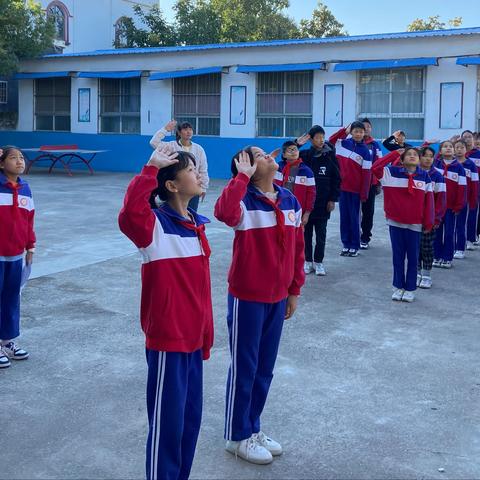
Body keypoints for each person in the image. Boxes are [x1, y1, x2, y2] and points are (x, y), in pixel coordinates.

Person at [118, 146, 214, 480]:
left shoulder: (196, 225)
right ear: (172, 185)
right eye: (190, 170)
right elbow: (130, 215)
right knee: (167, 426)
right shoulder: (155, 227)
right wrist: (149, 169)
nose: (198, 174)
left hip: (192, 340)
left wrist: (205, 335)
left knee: (190, 421)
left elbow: (200, 291)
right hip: (169, 341)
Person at [214, 146, 305, 465]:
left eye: (266, 153)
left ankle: (252, 428)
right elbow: (223, 213)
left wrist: (294, 289)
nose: (268, 155)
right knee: (245, 367)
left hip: (277, 296)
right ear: (247, 168)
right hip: (247, 297)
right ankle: (236, 436)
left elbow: (297, 248)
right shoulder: (243, 202)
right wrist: (241, 177)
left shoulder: (289, 200)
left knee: (264, 368)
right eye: (257, 155)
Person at [372, 147, 434, 302]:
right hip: (396, 223)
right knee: (398, 257)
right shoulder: (391, 173)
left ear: (419, 160)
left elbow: (429, 202)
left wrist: (428, 222)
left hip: (415, 224)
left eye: (415, 155)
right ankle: (398, 286)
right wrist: (394, 153)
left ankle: (410, 289)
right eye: (408, 155)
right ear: (402, 159)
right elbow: (375, 167)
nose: (412, 156)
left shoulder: (424, 177)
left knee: (413, 258)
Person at [0, 147, 34, 369]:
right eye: (13, 158)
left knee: (12, 298)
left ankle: (8, 342)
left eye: (21, 157)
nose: (19, 161)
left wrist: (31, 246)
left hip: (16, 256)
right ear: (2, 164)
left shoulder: (26, 190)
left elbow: (29, 221)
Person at [295, 125, 340, 275]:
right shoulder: (304, 155)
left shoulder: (330, 155)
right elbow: (286, 157)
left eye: (323, 136)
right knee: (306, 234)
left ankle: (319, 262)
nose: (321, 140)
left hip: (323, 202)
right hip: (306, 203)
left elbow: (337, 178)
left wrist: (332, 199)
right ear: (311, 139)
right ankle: (308, 261)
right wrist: (297, 144)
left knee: (321, 235)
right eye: (318, 137)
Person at [329, 121, 372, 257]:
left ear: (364, 133)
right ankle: (346, 244)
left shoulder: (366, 151)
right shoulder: (342, 144)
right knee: (344, 218)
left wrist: (364, 193)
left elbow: (367, 174)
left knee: (354, 218)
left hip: (355, 191)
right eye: (355, 131)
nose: (358, 134)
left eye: (361, 131)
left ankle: (355, 245)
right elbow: (331, 140)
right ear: (351, 132)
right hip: (342, 189)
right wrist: (344, 130)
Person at [150, 120, 209, 211]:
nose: (188, 132)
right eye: (185, 129)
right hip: (176, 186)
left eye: (190, 129)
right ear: (179, 132)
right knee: (175, 212)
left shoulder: (199, 149)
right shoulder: (171, 146)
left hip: (191, 185)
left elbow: (203, 169)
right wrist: (166, 129)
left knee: (191, 213)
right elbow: (153, 143)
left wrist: (204, 187)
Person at [433, 141, 467, 269]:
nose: (448, 148)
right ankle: (436, 256)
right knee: (436, 232)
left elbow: (462, 188)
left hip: (451, 207)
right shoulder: (435, 164)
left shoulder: (459, 168)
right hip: (436, 206)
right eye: (445, 147)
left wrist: (459, 205)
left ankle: (447, 257)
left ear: (453, 151)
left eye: (450, 147)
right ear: (440, 151)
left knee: (449, 233)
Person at [417, 146, 446, 289]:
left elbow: (441, 199)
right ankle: (415, 273)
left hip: (429, 219)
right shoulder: (414, 173)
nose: (428, 158)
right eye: (425, 155)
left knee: (427, 248)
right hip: (414, 218)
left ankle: (426, 275)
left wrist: (436, 218)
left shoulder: (438, 176)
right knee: (415, 247)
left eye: (430, 156)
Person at [274, 140, 316, 227]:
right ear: (284, 155)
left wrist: (307, 213)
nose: (293, 152)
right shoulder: (277, 168)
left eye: (295, 149)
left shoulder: (307, 171)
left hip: (297, 211)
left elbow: (311, 194)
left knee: (297, 237)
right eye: (290, 150)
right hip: (279, 209)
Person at [452, 139, 478, 259]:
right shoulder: (450, 164)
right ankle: (451, 247)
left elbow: (474, 183)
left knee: (461, 224)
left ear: (465, 149)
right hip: (450, 200)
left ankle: (460, 249)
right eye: (456, 147)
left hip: (464, 200)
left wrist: (472, 200)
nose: (459, 150)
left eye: (461, 147)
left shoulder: (470, 164)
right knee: (451, 225)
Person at [360, 118, 383, 249]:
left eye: (368, 126)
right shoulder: (353, 143)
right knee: (354, 211)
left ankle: (365, 237)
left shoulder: (375, 145)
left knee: (368, 211)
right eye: (364, 127)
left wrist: (378, 182)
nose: (366, 129)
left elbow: (380, 164)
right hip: (356, 183)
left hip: (371, 183)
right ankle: (353, 236)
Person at [465, 131, 480, 248]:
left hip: (476, 188)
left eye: (469, 137)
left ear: (473, 139)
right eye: (464, 137)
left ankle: (471, 238)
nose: (467, 139)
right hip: (462, 189)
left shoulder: (478, 154)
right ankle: (462, 240)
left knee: (473, 213)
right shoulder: (458, 154)